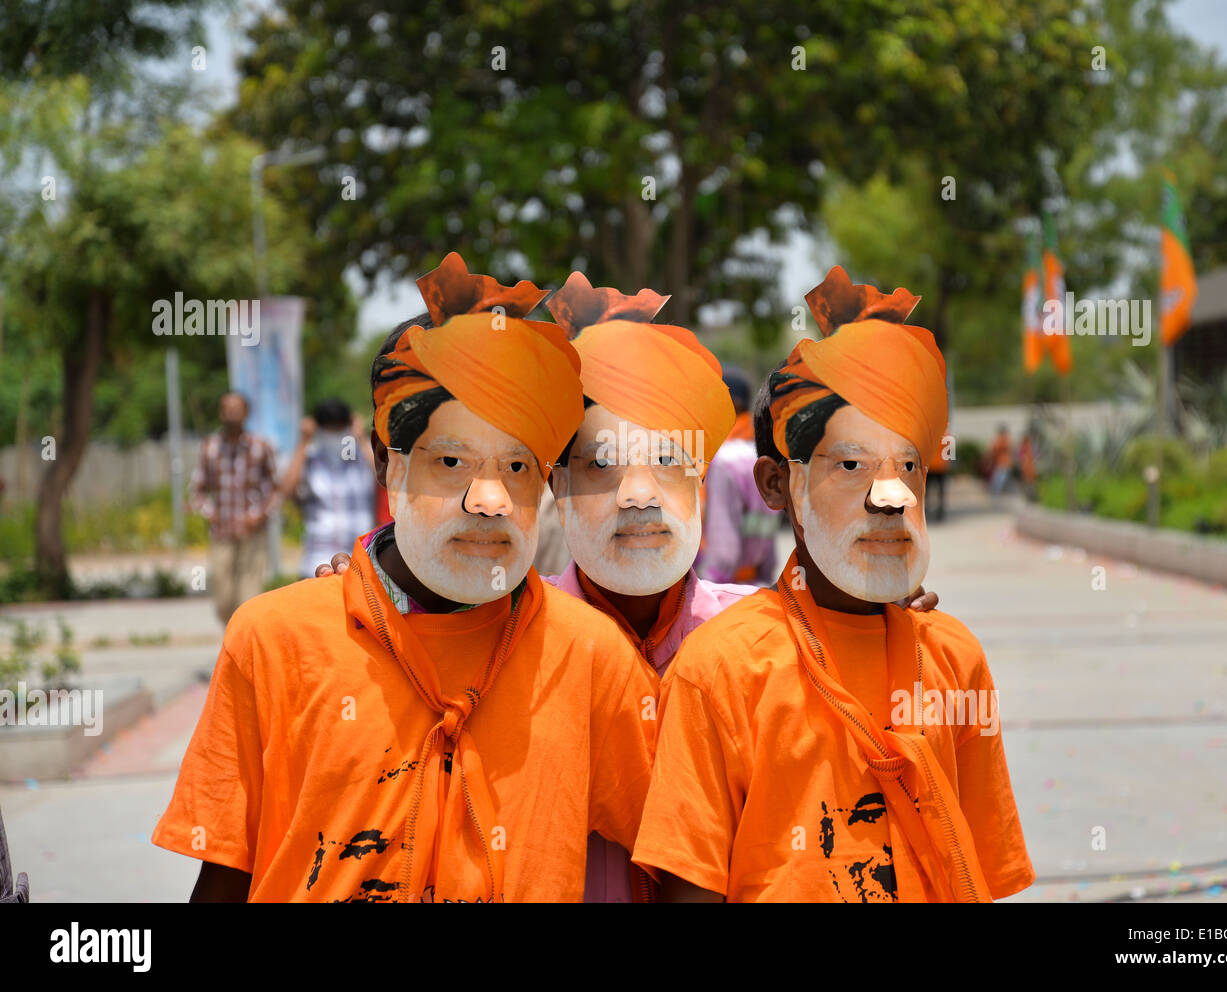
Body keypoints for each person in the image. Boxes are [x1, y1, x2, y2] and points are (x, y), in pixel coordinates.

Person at [315, 272, 942, 903]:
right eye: (601, 465)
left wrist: (873, 618)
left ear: (702, 479)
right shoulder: (513, 645)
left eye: (668, 461)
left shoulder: (771, 643)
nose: (637, 495)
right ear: (553, 480)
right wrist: (380, 593)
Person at [153, 253, 656, 902]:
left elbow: (681, 856)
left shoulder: (590, 658)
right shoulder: (274, 642)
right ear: (384, 460)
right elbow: (222, 877)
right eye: (451, 459)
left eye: (518, 466)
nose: (490, 500)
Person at [632, 266, 1034, 902]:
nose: (890, 496)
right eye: (850, 465)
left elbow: (982, 871)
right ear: (774, 486)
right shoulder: (720, 669)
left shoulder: (955, 658)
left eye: (907, 464)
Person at [189, 391, 277, 625]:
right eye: (227, 409)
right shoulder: (210, 448)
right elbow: (196, 491)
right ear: (220, 413)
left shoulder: (260, 448)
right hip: (221, 533)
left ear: (246, 413)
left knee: (249, 598)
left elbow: (274, 490)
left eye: (236, 409)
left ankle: (244, 651)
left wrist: (258, 516)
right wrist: (211, 513)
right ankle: (234, 639)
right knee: (223, 597)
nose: (232, 414)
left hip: (252, 534)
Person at [694, 366, 782, 585]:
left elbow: (724, 552)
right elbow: (770, 541)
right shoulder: (762, 452)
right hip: (757, 585)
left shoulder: (723, 460)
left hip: (723, 590)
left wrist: (710, 590)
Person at [279, 399, 376, 579]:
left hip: (361, 559)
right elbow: (286, 490)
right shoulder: (309, 458)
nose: (334, 435)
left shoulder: (361, 457)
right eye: (329, 429)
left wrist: (362, 438)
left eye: (339, 429)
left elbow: (384, 479)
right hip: (317, 560)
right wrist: (303, 441)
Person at [988, 424, 1014, 495]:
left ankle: (996, 491)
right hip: (1002, 462)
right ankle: (996, 491)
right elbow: (995, 449)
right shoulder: (1003, 439)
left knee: (1000, 478)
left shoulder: (1002, 439)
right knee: (1000, 478)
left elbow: (994, 449)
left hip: (1003, 462)